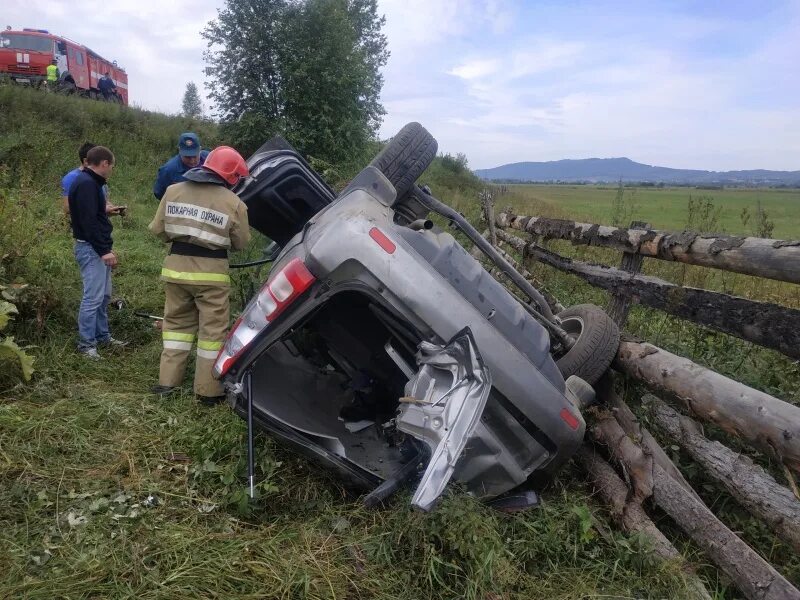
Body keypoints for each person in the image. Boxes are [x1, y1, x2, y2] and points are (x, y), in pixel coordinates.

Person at [149, 146, 251, 404]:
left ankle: (166, 383)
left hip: (175, 270)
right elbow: (240, 243)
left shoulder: (173, 191)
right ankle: (207, 392)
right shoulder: (234, 203)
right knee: (212, 334)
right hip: (212, 277)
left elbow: (159, 230)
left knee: (175, 328)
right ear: (231, 176)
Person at [68, 146, 127, 359]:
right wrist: (104, 251)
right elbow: (88, 222)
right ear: (104, 164)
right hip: (91, 249)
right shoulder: (86, 184)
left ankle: (103, 336)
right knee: (92, 298)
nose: (111, 170)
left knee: (104, 296)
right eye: (111, 166)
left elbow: (93, 213)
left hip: (98, 247)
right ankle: (86, 346)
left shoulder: (91, 183)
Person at [61, 142, 125, 216]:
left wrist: (112, 209)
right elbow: (68, 208)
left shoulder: (99, 178)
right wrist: (101, 209)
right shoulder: (72, 178)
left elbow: (104, 203)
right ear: (86, 161)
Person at [152, 132, 210, 200]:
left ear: (200, 149)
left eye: (195, 156)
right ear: (179, 151)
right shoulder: (168, 170)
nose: (192, 160)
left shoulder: (210, 160)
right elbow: (159, 193)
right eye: (187, 157)